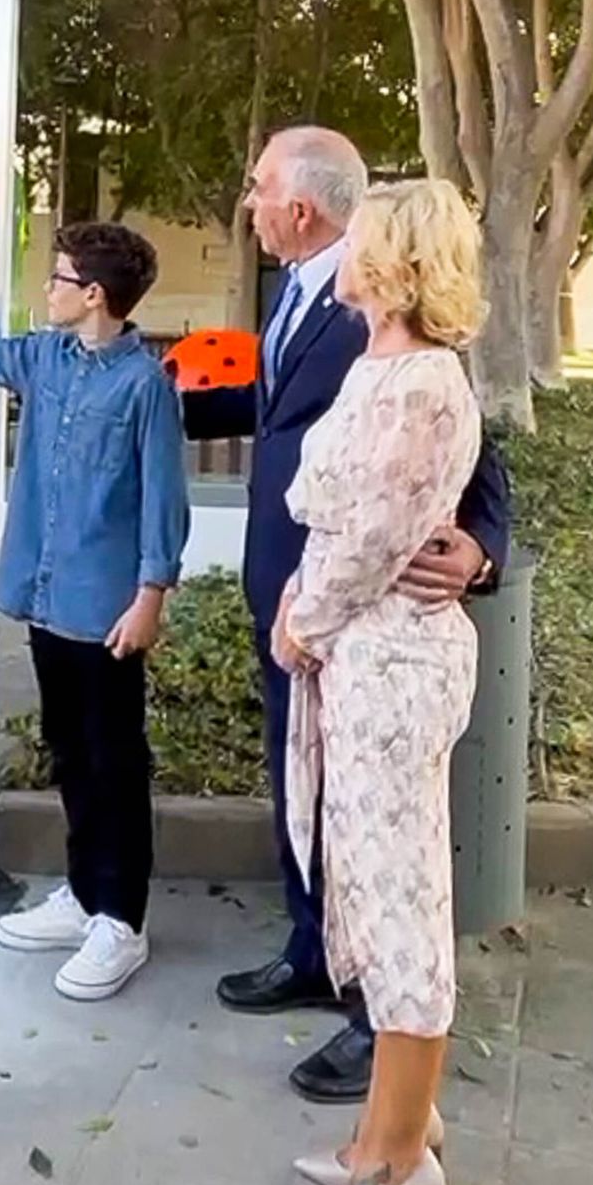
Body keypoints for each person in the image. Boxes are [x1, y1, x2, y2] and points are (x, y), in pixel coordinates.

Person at [176, 127, 510, 1104]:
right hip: (290, 589)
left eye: (257, 187)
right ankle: (311, 949)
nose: (247, 202)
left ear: (303, 207)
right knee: (301, 783)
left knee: (370, 827)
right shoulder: (295, 293)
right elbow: (278, 412)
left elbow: (468, 450)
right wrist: (157, 404)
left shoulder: (409, 328)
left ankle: (376, 1020)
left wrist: (481, 547)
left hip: (359, 618)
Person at [0, 202, 189, 1002]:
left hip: (107, 608)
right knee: (68, 749)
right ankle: (83, 892)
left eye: (60, 278)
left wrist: (150, 595)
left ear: (94, 293)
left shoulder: (144, 387)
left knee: (113, 760)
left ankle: (121, 919)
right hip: (45, 592)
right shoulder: (47, 360)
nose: (49, 288)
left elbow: (165, 500)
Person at [279, 179, 485, 1185]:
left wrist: (301, 621)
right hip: (363, 660)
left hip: (391, 667)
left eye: (360, 239)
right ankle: (388, 1130)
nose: (342, 251)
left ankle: (396, 1167)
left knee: (401, 905)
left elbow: (372, 537)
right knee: (374, 884)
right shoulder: (384, 365)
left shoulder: (419, 384)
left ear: (396, 259)